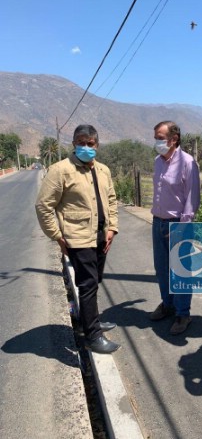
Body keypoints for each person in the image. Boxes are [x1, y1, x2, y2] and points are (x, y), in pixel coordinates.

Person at [35, 124, 120, 354]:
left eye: (90, 143)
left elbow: (111, 200)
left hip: (102, 236)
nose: (85, 147)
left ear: (97, 145)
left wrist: (112, 228)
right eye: (80, 143)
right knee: (88, 284)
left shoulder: (103, 170)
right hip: (78, 238)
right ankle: (92, 335)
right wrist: (57, 235)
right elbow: (44, 206)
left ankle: (90, 320)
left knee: (94, 281)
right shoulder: (60, 170)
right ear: (73, 143)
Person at [149, 121, 201, 335]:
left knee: (180, 271)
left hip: (178, 223)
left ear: (174, 138)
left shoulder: (188, 162)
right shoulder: (157, 162)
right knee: (162, 269)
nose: (157, 142)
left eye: (160, 138)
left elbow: (192, 197)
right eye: (156, 138)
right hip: (158, 222)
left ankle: (183, 314)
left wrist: (183, 226)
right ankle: (167, 304)